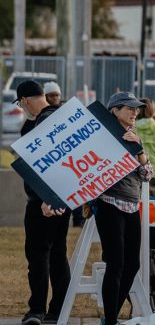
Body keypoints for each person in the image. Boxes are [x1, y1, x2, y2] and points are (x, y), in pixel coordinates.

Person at [14, 81, 69, 325]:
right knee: (58, 254)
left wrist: (43, 198)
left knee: (38, 255)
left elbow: (40, 166)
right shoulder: (64, 116)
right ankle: (58, 309)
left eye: (20, 103)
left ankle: (36, 309)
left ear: (25, 100)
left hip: (43, 203)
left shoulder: (35, 124)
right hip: (65, 199)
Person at [96, 92, 153, 325]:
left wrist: (138, 150)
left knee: (133, 264)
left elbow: (148, 174)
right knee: (116, 262)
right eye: (129, 108)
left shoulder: (134, 137)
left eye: (136, 109)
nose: (134, 112)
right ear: (114, 110)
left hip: (131, 204)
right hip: (109, 203)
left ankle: (109, 318)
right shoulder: (102, 137)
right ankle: (110, 320)